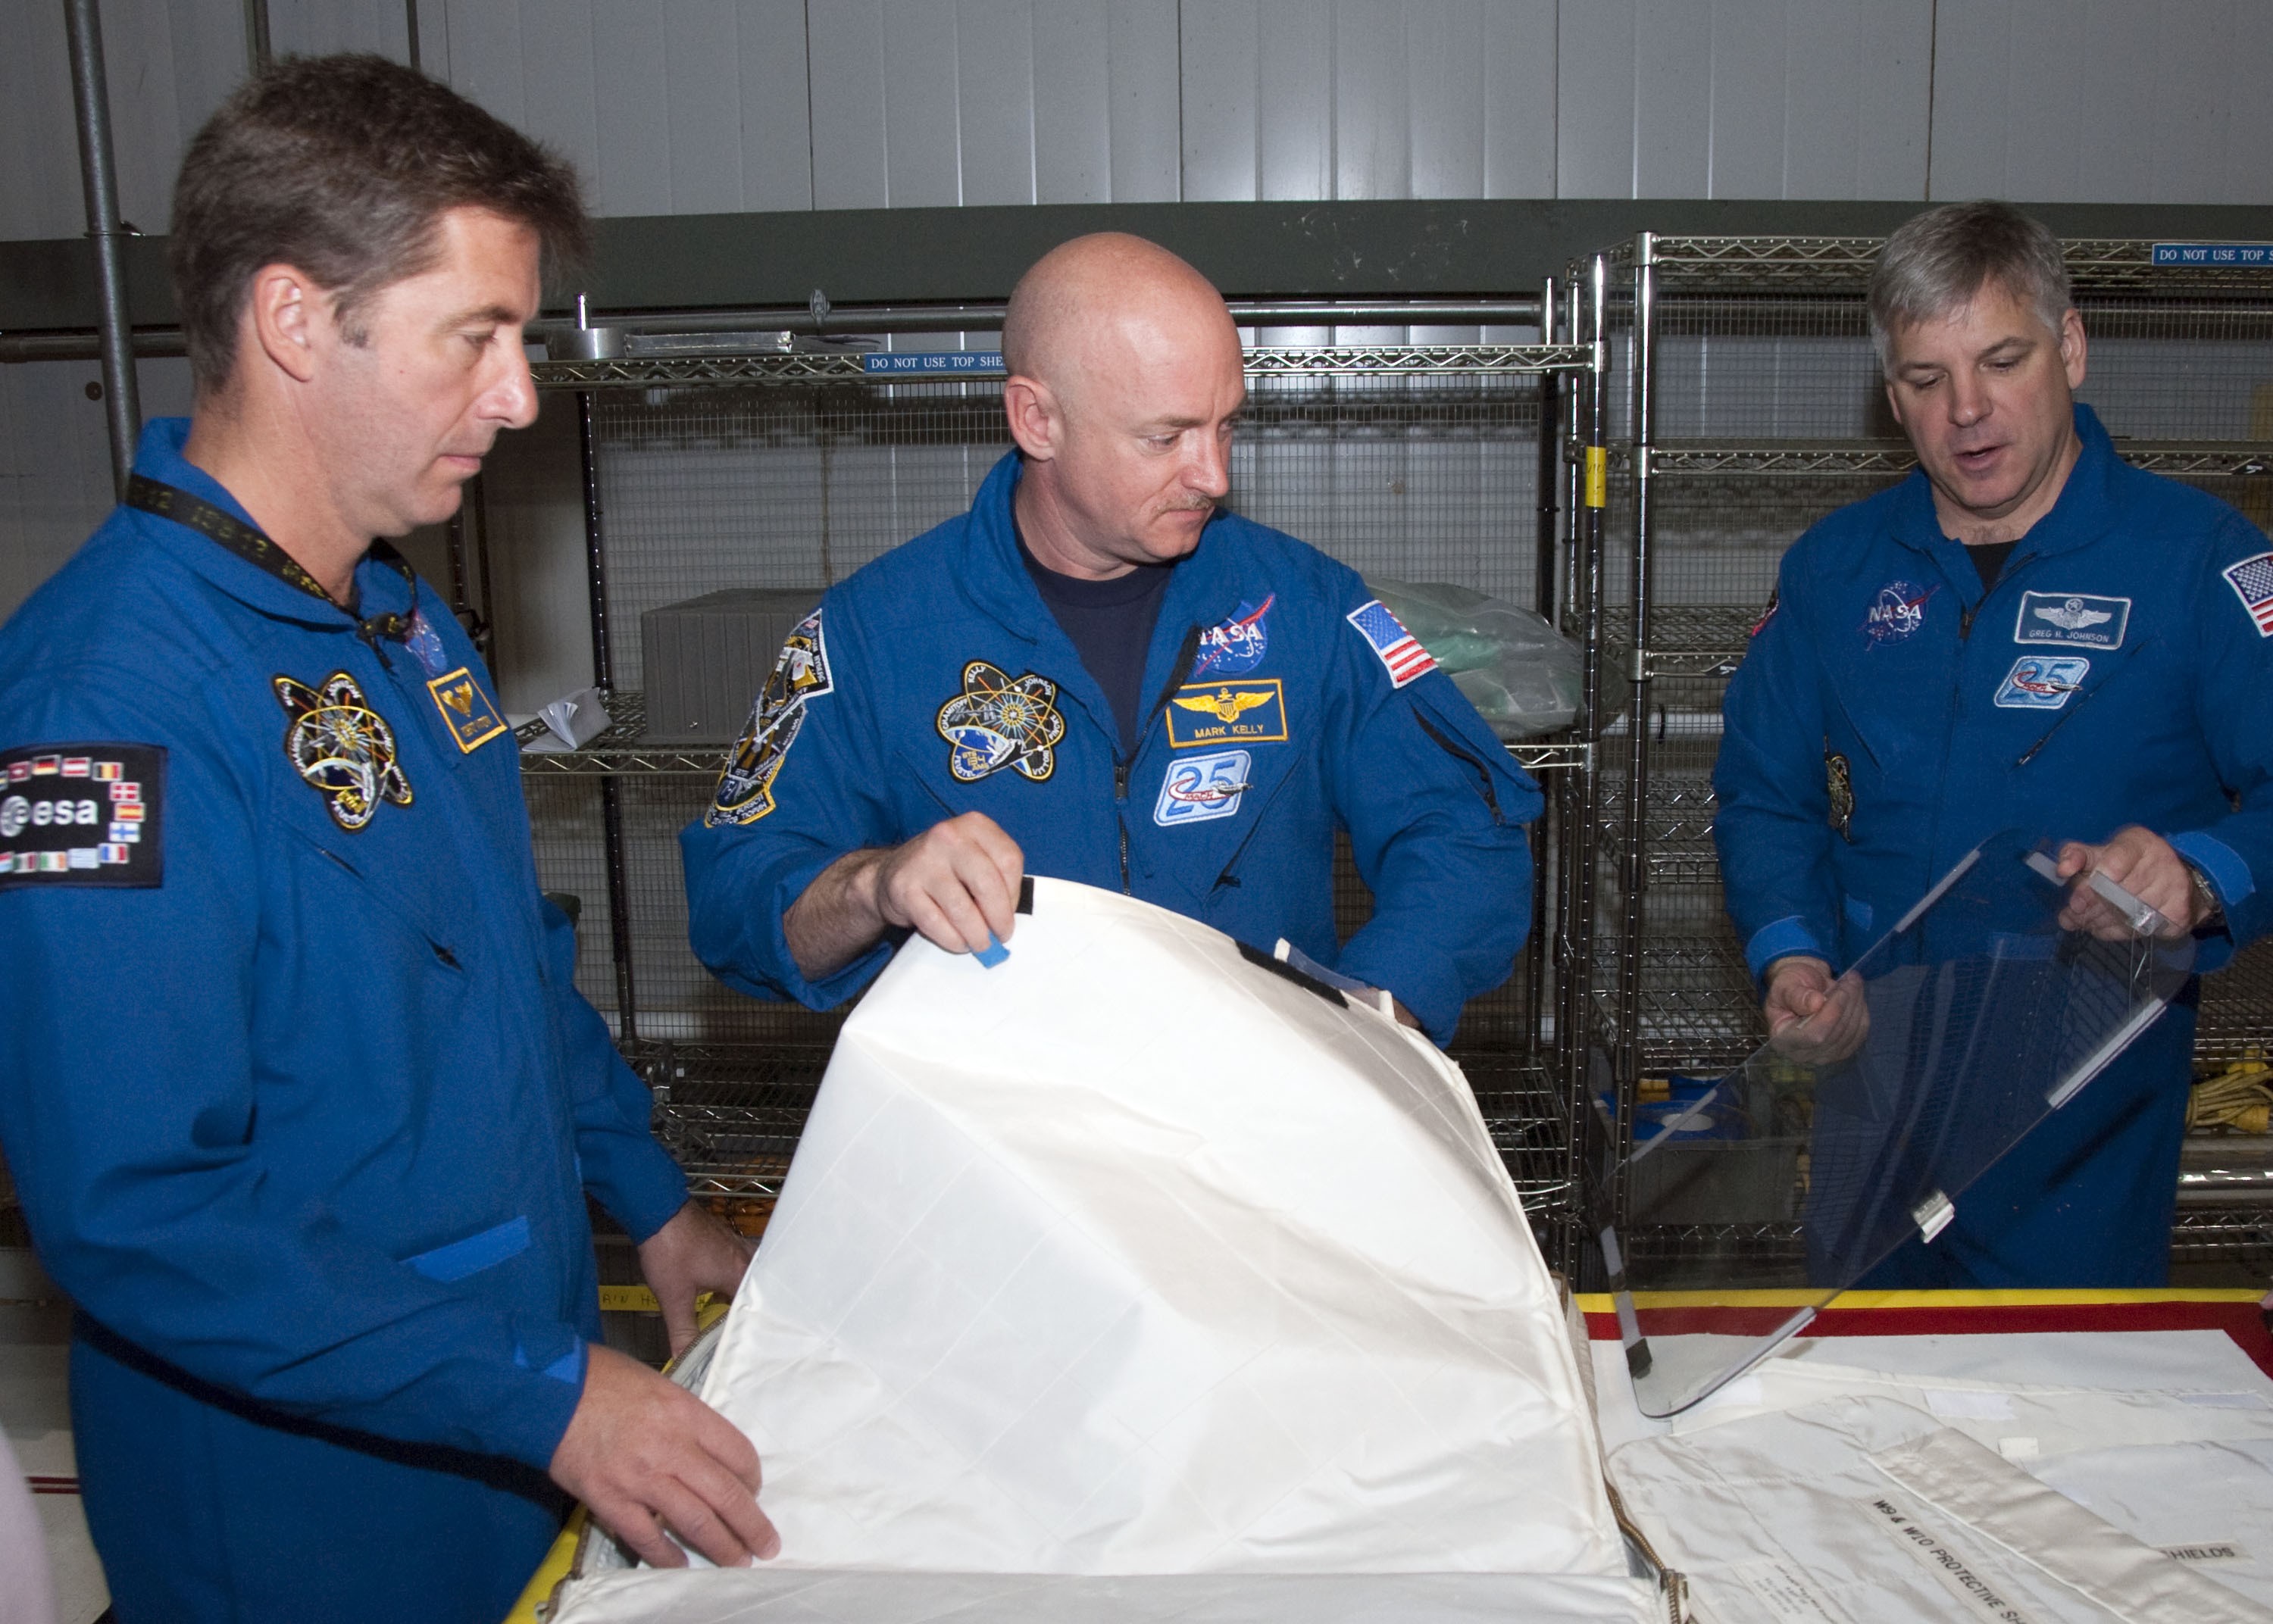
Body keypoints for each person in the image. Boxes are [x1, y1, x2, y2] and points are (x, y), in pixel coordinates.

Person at [0, 57, 777, 1623]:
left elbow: (507, 959)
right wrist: (545, 1393)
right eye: (475, 335)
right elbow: (143, 1203)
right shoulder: (108, 704)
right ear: (296, 320)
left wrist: (656, 1198)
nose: (517, 393)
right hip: (302, 1521)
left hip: (502, 1443)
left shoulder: (403, 628)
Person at [682, 233, 1539, 1045]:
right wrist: (874, 883)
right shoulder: (873, 634)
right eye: (1166, 437)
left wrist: (1378, 1019)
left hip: (1258, 1128)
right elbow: (735, 896)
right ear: (1037, 420)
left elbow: (1464, 825)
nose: (1214, 475)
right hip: (1007, 1156)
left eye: (1227, 425)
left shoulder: (1307, 608)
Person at [1714, 200, 2273, 1287]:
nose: (1967, 411)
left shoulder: (2199, 563)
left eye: (2001, 360)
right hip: (1874, 1105)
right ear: (1893, 398)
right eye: (1926, 380)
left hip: (2083, 1122)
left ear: (2070, 346)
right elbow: (1763, 796)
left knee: (2059, 1423)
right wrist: (1795, 955)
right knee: (1856, 1419)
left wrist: (2200, 872)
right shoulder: (1836, 569)